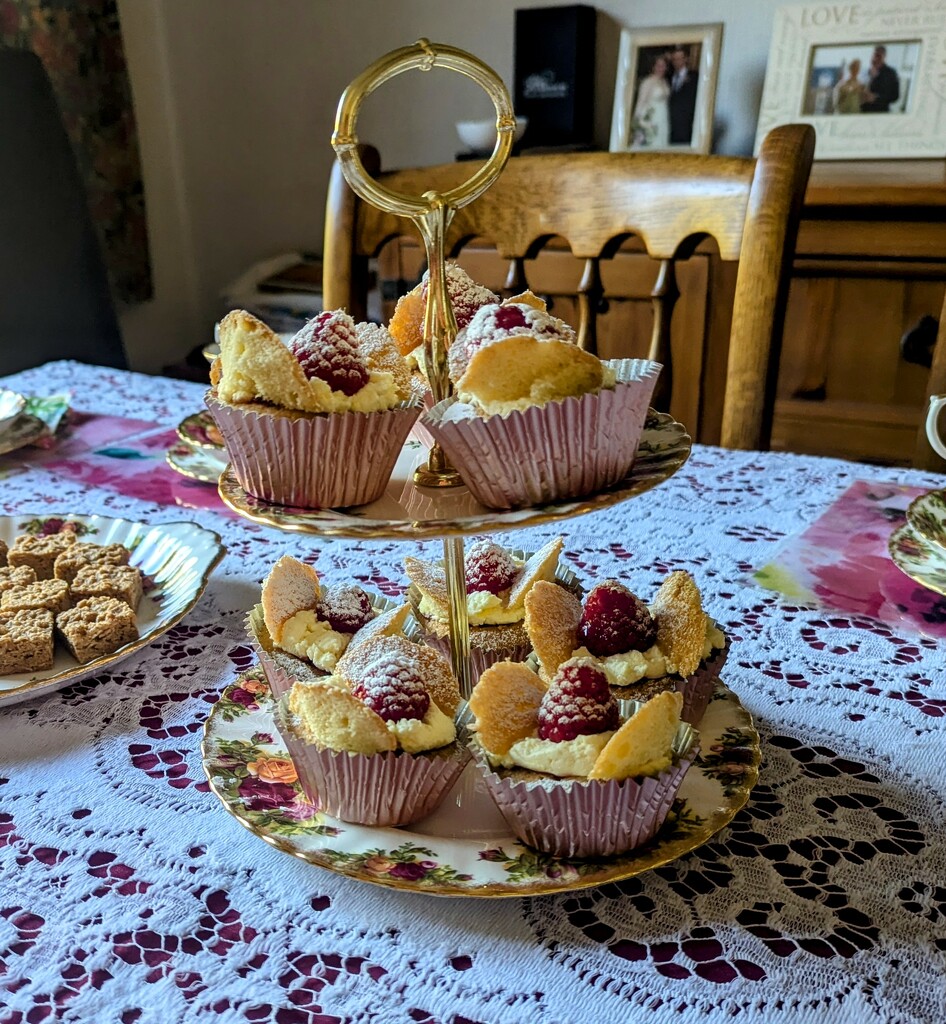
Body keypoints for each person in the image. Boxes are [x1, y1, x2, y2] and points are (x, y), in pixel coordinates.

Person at [631, 54, 671, 148]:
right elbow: (640, 104)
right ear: (653, 67)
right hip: (652, 120)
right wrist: (637, 125)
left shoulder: (664, 81)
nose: (661, 68)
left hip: (663, 119)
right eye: (658, 65)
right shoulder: (647, 82)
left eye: (663, 65)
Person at [668, 46, 699, 144]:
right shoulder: (668, 77)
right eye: (674, 59)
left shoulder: (695, 76)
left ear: (686, 59)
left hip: (686, 125)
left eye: (679, 58)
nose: (677, 62)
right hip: (669, 124)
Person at [861, 45, 900, 112]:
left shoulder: (891, 73)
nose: (876, 59)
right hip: (864, 111)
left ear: (884, 57)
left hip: (880, 111)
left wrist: (876, 98)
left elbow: (895, 96)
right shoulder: (866, 71)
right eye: (874, 55)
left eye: (879, 56)